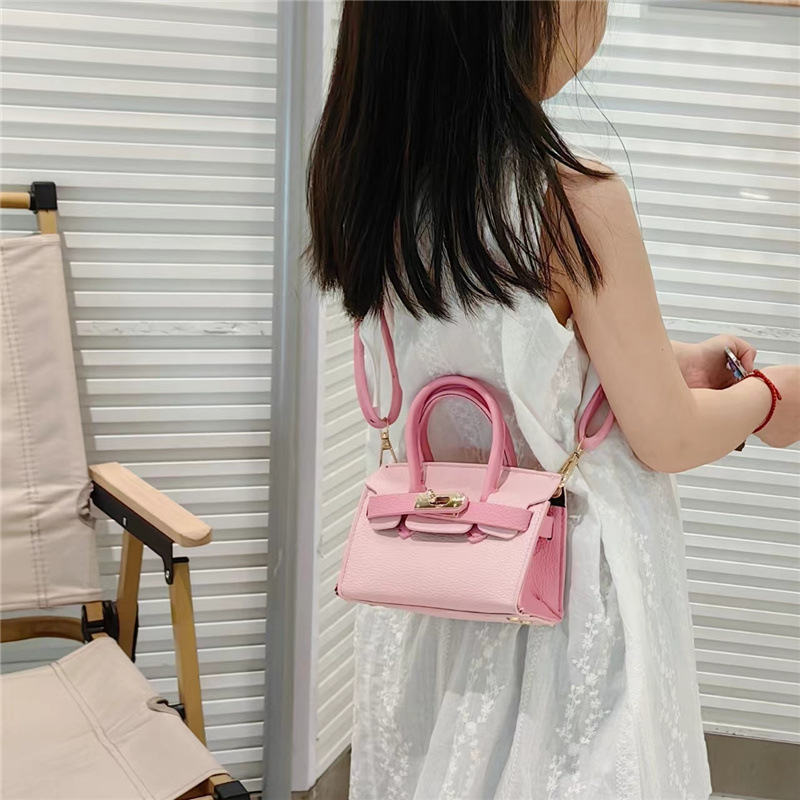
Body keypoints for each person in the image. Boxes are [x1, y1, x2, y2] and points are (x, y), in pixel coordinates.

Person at [305, 2, 800, 798]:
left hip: (434, 600)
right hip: (565, 612)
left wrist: (664, 362)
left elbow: (498, 357)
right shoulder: (571, 202)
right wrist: (772, 400)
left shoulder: (380, 194)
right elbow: (668, 436)